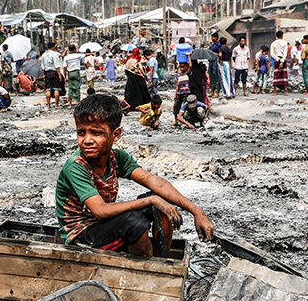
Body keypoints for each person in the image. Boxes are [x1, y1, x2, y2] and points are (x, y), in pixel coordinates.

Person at [55, 93, 214, 256]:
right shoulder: (76, 167)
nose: (87, 140)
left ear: (115, 134)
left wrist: (196, 211)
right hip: (81, 236)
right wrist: (152, 199)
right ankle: (149, 271)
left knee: (162, 198)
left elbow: (156, 183)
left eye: (96, 133)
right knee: (135, 221)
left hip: (103, 225)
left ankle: (162, 261)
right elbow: (100, 211)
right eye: (81, 133)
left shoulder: (117, 158)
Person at [41, 42, 63, 109]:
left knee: (48, 89)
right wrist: (59, 74)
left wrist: (44, 75)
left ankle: (48, 105)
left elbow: (43, 67)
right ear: (53, 47)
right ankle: (56, 104)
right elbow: (57, 65)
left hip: (47, 73)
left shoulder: (44, 55)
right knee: (56, 88)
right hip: (54, 72)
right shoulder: (54, 54)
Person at [63, 44, 83, 108]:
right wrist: (92, 53)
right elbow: (86, 54)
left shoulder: (66, 57)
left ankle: (70, 104)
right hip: (76, 73)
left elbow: (65, 68)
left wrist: (65, 77)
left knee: (71, 88)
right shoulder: (78, 55)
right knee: (77, 88)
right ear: (74, 49)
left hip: (70, 73)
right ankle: (78, 103)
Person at [172, 61, 191, 125]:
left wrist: (189, 57)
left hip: (186, 92)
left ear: (186, 67)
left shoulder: (187, 73)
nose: (182, 68)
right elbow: (178, 85)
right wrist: (175, 94)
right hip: (179, 93)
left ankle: (185, 120)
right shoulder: (178, 76)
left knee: (185, 107)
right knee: (176, 106)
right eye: (180, 67)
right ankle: (176, 120)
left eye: (183, 67)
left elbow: (190, 66)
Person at [270, 31, 289, 95]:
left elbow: (272, 54)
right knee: (284, 75)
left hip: (276, 59)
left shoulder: (273, 43)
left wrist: (278, 59)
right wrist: (282, 61)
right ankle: (286, 91)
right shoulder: (284, 43)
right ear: (282, 36)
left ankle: (275, 91)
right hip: (283, 59)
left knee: (276, 75)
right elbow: (285, 52)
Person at [208, 32, 221, 98]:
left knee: (216, 76)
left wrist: (213, 53)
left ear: (216, 38)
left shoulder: (219, 45)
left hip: (216, 61)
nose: (212, 39)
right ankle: (212, 91)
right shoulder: (212, 44)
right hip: (210, 61)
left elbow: (219, 54)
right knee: (211, 76)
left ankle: (217, 92)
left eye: (213, 37)